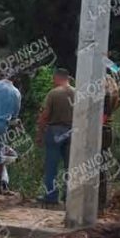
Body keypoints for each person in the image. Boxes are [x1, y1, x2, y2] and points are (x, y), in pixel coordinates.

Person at [36, 68, 75, 205]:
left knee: (51, 165)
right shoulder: (77, 93)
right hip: (72, 131)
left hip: (55, 131)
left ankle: (51, 196)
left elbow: (45, 115)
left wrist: (40, 133)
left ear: (57, 78)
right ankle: (69, 196)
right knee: (70, 166)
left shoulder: (53, 93)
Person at [100, 57, 120, 211]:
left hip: (99, 129)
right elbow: (118, 101)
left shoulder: (103, 85)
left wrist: (101, 119)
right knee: (101, 166)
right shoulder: (114, 85)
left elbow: (107, 102)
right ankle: (100, 201)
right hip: (107, 128)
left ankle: (95, 202)